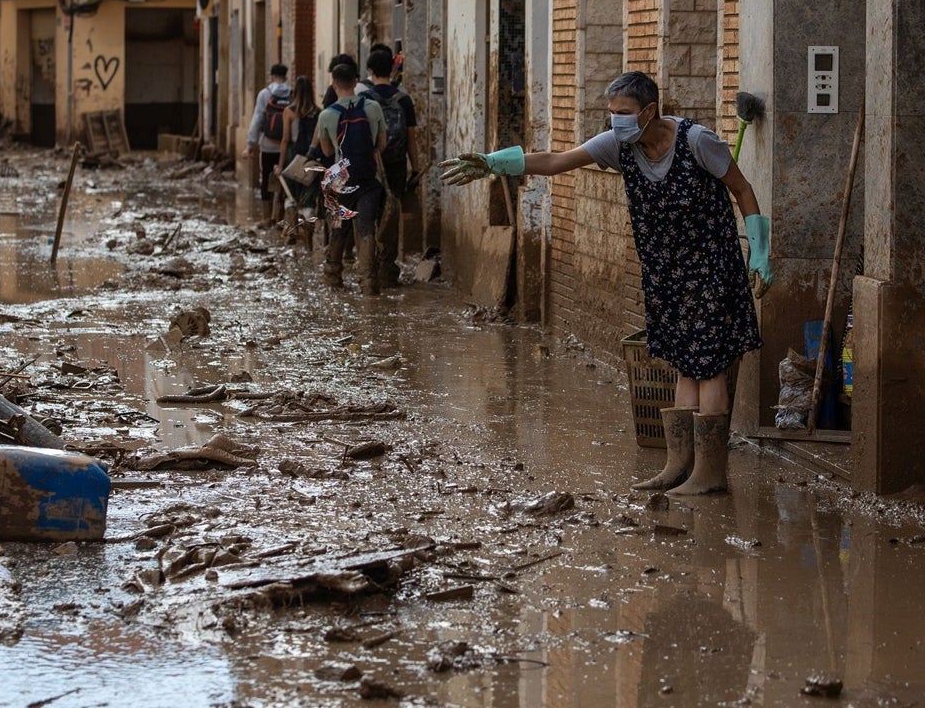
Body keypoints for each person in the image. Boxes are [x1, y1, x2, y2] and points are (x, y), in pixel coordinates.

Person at [440, 71, 772, 495]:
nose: (615, 121)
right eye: (611, 113)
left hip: (711, 271)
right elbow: (559, 160)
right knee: (683, 366)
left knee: (708, 368)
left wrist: (759, 251)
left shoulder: (696, 141)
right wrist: (495, 162)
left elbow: (742, 190)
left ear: (650, 111)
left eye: (623, 113)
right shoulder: (620, 145)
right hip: (665, 275)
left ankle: (710, 474)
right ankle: (679, 465)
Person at [317, 61, 387, 295]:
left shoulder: (326, 115)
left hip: (341, 183)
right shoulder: (374, 108)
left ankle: (332, 278)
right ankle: (368, 284)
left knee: (338, 229)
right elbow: (381, 145)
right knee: (366, 229)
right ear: (356, 82)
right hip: (369, 180)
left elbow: (327, 153)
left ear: (334, 84)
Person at [363, 46, 421, 287]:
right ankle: (388, 267)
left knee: (370, 214)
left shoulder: (365, 99)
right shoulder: (404, 99)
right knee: (392, 213)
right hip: (396, 164)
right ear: (393, 69)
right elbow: (411, 138)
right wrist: (415, 168)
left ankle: (369, 268)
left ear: (370, 70)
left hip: (372, 165)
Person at [276, 75, 322, 248]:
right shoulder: (318, 112)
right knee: (308, 199)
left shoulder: (288, 111)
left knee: (291, 197)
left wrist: (280, 165)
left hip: (292, 158)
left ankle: (291, 234)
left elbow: (285, 140)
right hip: (311, 160)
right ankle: (308, 239)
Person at [246, 64, 292, 203]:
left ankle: (267, 214)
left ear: (272, 76)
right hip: (287, 147)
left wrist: (250, 143)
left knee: (266, 176)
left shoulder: (265, 94)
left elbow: (257, 118)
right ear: (286, 76)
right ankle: (281, 213)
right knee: (285, 178)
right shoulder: (293, 93)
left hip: (267, 144)